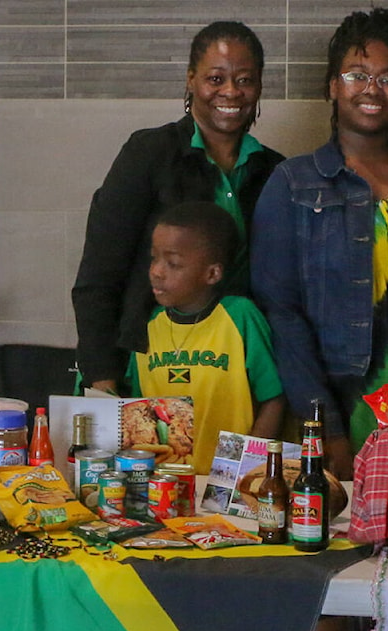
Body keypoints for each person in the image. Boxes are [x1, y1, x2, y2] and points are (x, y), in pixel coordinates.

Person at [250, 8, 388, 480]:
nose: (371, 89)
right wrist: (324, 426)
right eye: (356, 74)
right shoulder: (292, 184)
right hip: (342, 413)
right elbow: (282, 317)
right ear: (333, 85)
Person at [72, 21, 284, 397]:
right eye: (215, 79)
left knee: (225, 458)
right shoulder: (149, 154)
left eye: (245, 80)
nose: (231, 92)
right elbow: (99, 277)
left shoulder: (276, 172)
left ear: (259, 86)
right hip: (144, 371)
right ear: (191, 80)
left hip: (235, 378)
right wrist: (103, 384)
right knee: (152, 455)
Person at [126, 201, 284, 474]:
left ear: (212, 273)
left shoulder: (239, 316)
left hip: (227, 481)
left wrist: (249, 466)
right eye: (154, 258)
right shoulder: (150, 325)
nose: (156, 271)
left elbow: (274, 397)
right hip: (167, 484)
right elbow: (140, 411)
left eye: (173, 263)